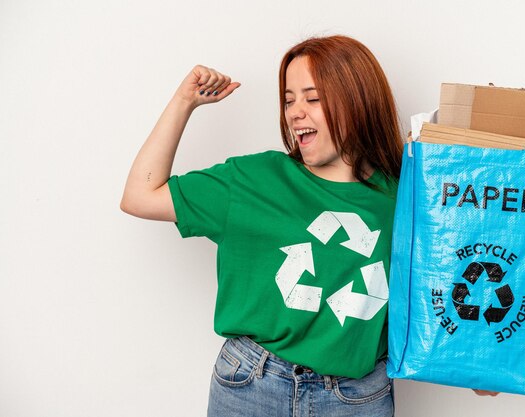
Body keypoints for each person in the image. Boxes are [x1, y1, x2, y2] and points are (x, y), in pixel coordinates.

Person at [121, 35, 496, 416]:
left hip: (356, 397)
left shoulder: (411, 197)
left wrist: (482, 366)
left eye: (312, 98)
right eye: (289, 100)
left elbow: (445, 286)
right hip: (250, 385)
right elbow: (140, 195)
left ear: (358, 101)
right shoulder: (254, 180)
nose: (295, 112)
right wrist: (184, 102)